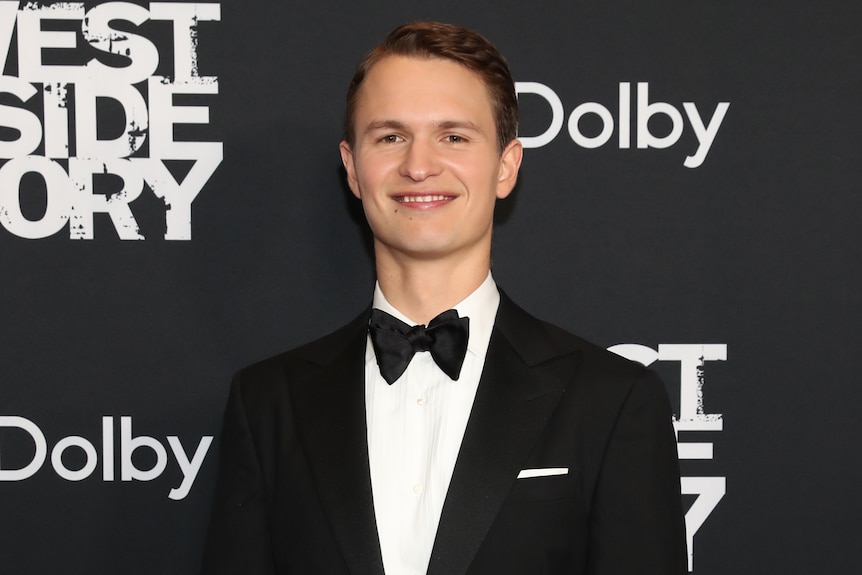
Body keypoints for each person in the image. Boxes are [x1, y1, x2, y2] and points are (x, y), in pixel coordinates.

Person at [202, 21, 686, 575]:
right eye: (390, 137)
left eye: (453, 136)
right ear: (352, 169)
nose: (418, 165)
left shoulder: (613, 401)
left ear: (506, 166)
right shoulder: (267, 402)